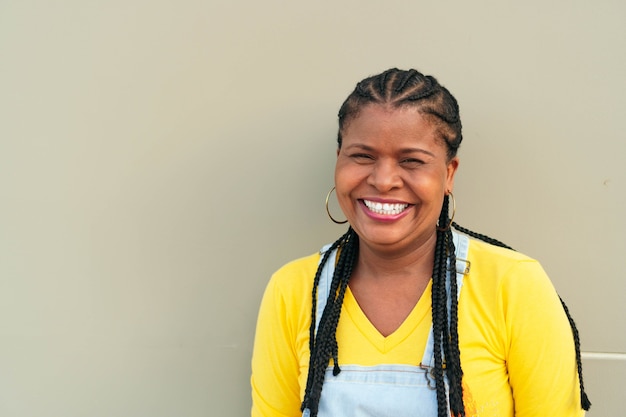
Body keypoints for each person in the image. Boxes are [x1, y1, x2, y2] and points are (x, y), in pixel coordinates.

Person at [250, 68, 591, 417]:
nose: (383, 181)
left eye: (411, 161)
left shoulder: (513, 286)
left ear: (449, 174)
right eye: (363, 156)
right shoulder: (293, 290)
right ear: (339, 160)